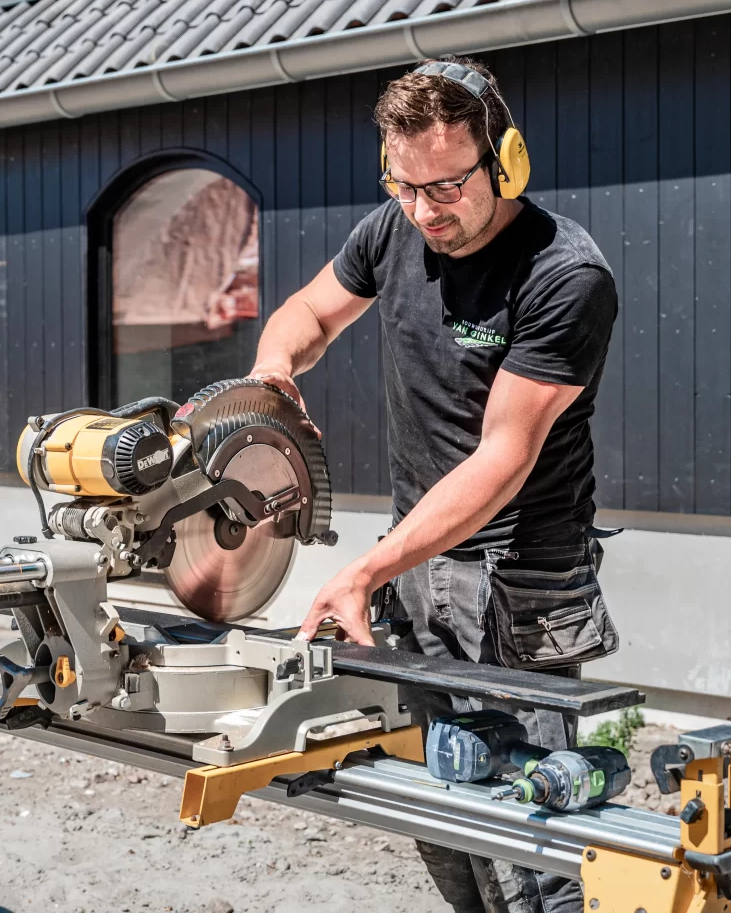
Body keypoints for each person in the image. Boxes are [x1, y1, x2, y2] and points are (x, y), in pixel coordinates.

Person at [246, 56, 620, 913]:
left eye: (446, 187)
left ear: (507, 160)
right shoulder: (392, 231)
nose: (423, 212)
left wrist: (367, 568)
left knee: (533, 830)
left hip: (519, 578)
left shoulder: (565, 274)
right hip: (416, 560)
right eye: (404, 186)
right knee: (434, 801)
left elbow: (503, 460)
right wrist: (274, 369)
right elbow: (307, 313)